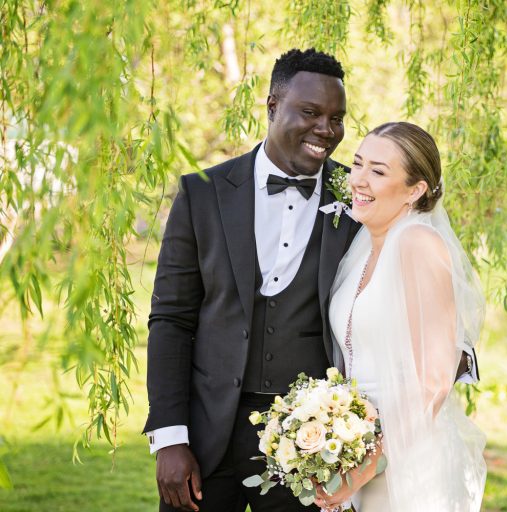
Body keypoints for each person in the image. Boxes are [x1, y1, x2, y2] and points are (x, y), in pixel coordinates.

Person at [144, 50, 478, 511]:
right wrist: (168, 436)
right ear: (272, 105)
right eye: (310, 112)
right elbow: (171, 319)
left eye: (337, 118)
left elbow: (430, 324)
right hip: (205, 436)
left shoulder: (360, 200)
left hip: (312, 447)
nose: (326, 129)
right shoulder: (203, 192)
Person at [317, 122, 487, 511]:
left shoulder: (418, 243)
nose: (358, 179)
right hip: (355, 447)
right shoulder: (364, 246)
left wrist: (369, 464)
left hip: (407, 456)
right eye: (358, 164)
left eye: (378, 171)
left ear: (416, 189)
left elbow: (434, 381)